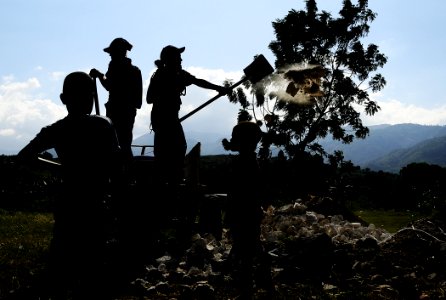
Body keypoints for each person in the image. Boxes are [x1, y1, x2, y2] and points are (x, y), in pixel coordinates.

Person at [17, 71, 122, 299]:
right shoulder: (104, 125)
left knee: (61, 262)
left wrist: (61, 168)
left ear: (63, 99)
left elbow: (24, 156)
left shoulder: (56, 129)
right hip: (96, 201)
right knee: (94, 264)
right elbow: (116, 165)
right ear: (92, 97)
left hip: (68, 201)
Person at [146, 45, 229, 193]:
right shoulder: (162, 75)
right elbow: (149, 99)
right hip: (163, 118)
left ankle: (170, 179)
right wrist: (170, 88)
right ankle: (168, 181)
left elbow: (198, 81)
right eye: (178, 57)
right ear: (170, 59)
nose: (181, 59)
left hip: (168, 118)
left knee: (172, 149)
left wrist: (219, 88)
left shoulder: (177, 74)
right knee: (174, 148)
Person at [222, 110, 270, 297]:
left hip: (242, 209)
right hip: (249, 209)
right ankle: (254, 273)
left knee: (245, 240)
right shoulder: (252, 161)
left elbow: (238, 190)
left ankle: (249, 277)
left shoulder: (243, 164)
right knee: (249, 240)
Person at [90, 37, 143, 161]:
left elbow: (108, 85)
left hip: (118, 111)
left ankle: (121, 174)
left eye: (113, 53)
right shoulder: (134, 70)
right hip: (128, 112)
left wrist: (99, 75)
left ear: (120, 52)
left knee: (116, 144)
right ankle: (125, 173)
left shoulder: (117, 68)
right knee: (124, 143)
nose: (111, 56)